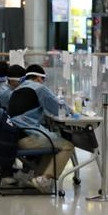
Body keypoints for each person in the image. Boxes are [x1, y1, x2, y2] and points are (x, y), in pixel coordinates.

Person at [9, 64, 75, 193]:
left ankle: (37, 178)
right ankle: (44, 178)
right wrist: (72, 111)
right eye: (43, 79)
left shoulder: (17, 89)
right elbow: (58, 108)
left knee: (51, 144)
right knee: (67, 146)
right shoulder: (39, 89)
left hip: (14, 136)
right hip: (29, 137)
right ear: (39, 78)